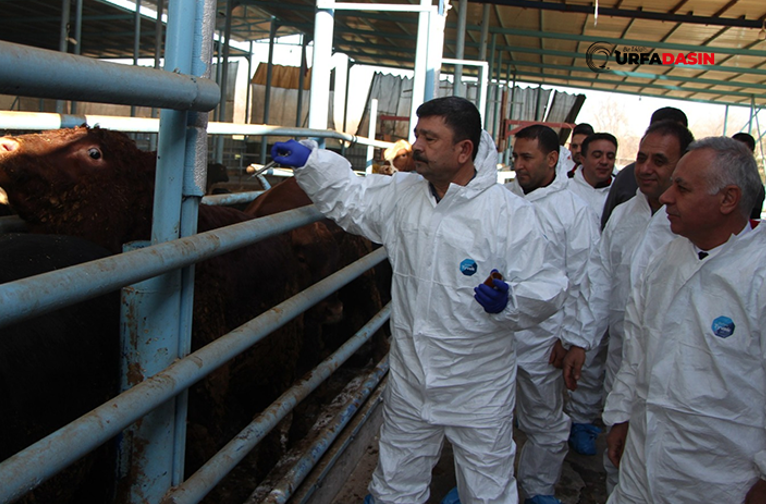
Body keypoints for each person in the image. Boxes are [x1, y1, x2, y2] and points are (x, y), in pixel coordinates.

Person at [271, 96, 567, 504]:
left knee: (488, 489)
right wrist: (311, 163)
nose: (417, 146)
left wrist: (512, 302)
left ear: (464, 150)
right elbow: (352, 199)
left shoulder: (508, 214)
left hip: (476, 386)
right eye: (417, 135)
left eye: (430, 137)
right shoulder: (405, 195)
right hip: (412, 378)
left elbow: (548, 284)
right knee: (395, 483)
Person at [604, 137, 766, 504]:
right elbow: (636, 350)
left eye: (683, 187)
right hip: (642, 461)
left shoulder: (758, 274)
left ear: (728, 199)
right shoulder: (665, 259)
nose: (666, 197)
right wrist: (622, 416)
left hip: (717, 480)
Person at [563, 120, 693, 493]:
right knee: (618, 450)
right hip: (622, 358)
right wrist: (580, 340)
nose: (647, 168)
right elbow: (599, 280)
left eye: (660, 160)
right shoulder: (625, 215)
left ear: (683, 164)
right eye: (641, 158)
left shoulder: (690, 226)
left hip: (673, 373)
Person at [504, 125, 599, 504]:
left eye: (527, 157)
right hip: (498, 331)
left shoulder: (572, 210)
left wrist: (573, 337)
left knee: (543, 418)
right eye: (515, 157)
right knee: (488, 417)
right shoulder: (501, 199)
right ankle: (484, 487)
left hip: (544, 337)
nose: (518, 165)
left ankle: (538, 488)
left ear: (552, 159)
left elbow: (586, 278)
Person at [600, 107, 688, 229]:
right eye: (641, 159)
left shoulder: (692, 224)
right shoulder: (621, 214)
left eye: (658, 161)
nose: (644, 169)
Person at [566, 132, 617, 220]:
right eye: (597, 156)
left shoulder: (621, 193)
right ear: (583, 159)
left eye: (610, 157)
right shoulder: (565, 190)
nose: (604, 161)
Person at [731, 132, 765, 219]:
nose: (736, 156)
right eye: (732, 151)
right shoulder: (716, 178)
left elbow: (753, 219)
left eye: (741, 152)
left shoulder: (756, 187)